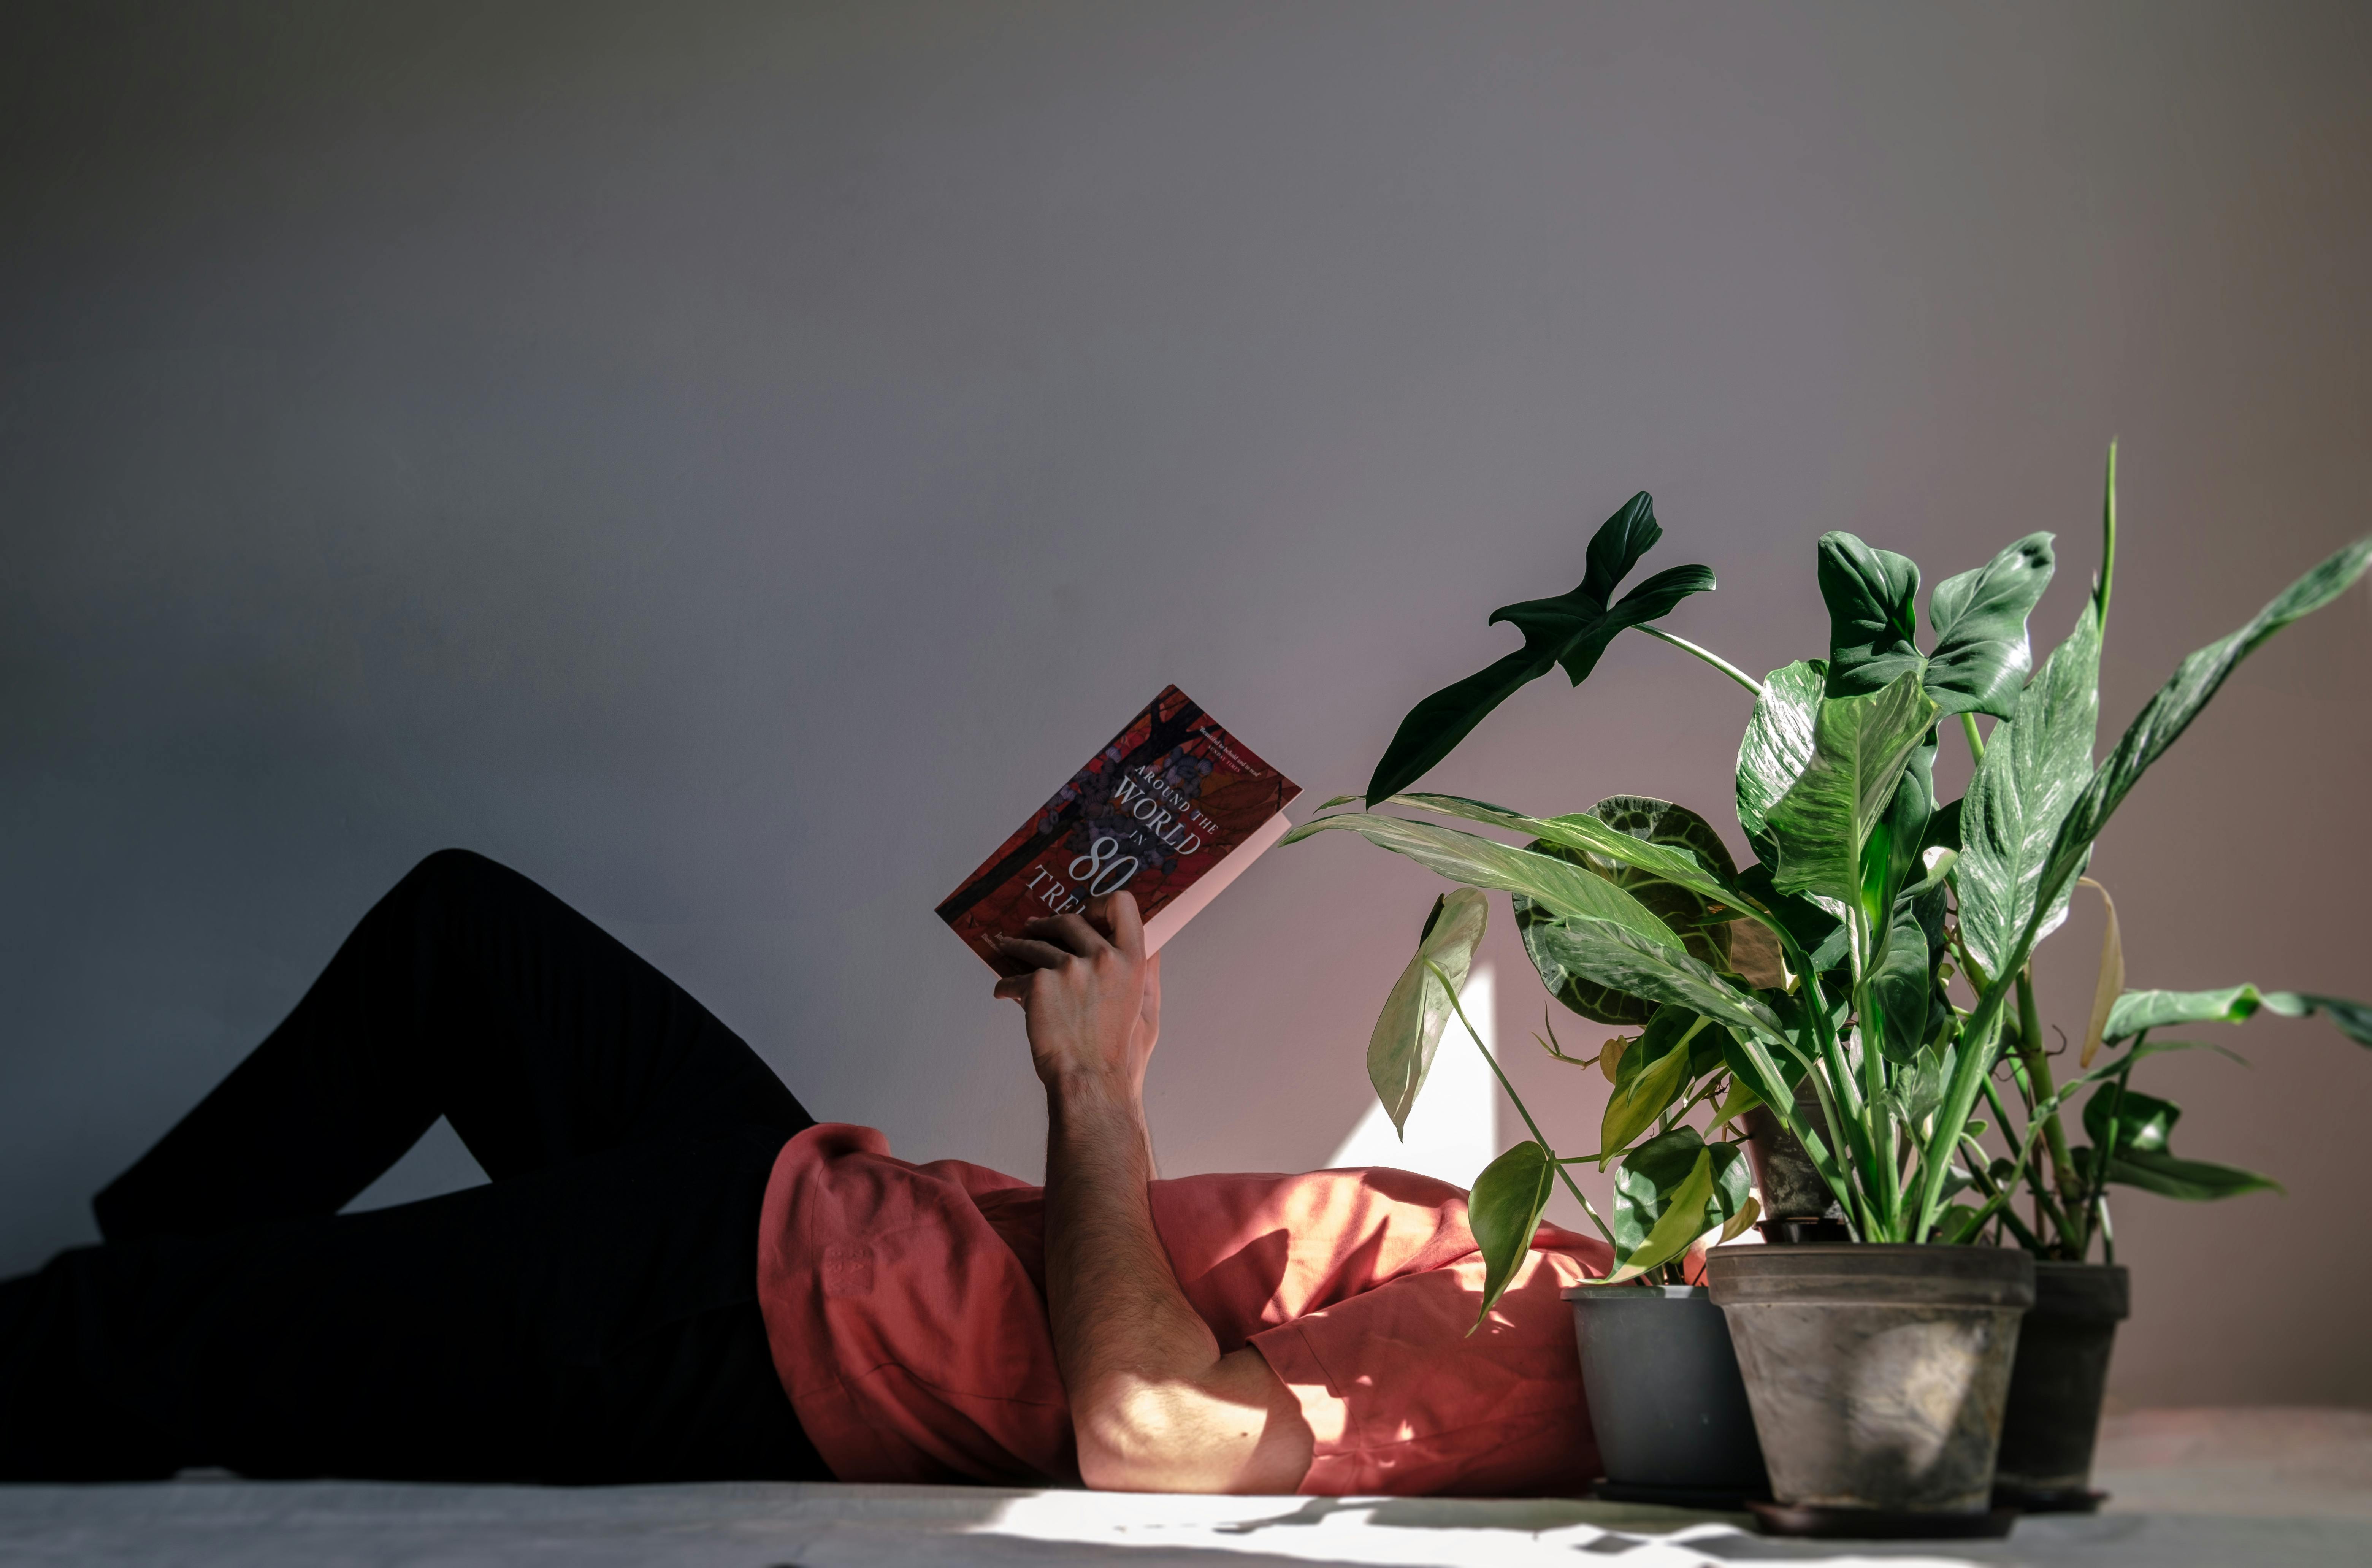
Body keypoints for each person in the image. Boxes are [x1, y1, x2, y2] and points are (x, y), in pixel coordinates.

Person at [0, 850, 1609, 1493]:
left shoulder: (1563, 1344)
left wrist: (1097, 1085)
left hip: (778, 1323)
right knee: (461, 940)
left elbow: (1152, 1432)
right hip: (833, 1212)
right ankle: (177, 1296)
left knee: (139, 1341)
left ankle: (135, 1332)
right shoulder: (1594, 1274)